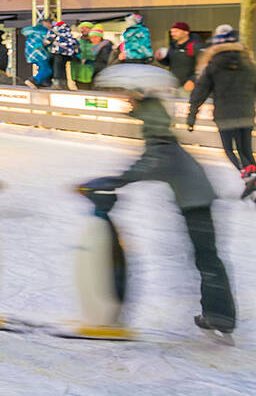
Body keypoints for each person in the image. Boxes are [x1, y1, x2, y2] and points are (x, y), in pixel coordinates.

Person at [82, 64, 236, 335]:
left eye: (132, 100)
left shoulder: (162, 145)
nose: (129, 105)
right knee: (206, 257)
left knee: (207, 257)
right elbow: (149, 162)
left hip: (195, 200)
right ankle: (217, 313)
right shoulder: (162, 140)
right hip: (194, 197)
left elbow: (150, 165)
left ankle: (221, 315)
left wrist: (115, 181)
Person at [188, 25, 256, 204]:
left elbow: (200, 92)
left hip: (225, 115)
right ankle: (253, 182)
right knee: (246, 150)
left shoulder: (213, 65)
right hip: (247, 113)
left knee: (230, 150)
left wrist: (192, 115)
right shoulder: (249, 63)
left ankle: (249, 179)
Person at [45, 19, 79, 89]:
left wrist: (44, 44)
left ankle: (57, 83)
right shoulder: (68, 30)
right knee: (63, 67)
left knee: (57, 67)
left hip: (58, 51)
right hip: (68, 53)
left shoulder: (55, 29)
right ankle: (64, 83)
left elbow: (48, 40)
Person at [167, 22, 201, 91]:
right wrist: (161, 58)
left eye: (176, 31)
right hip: (175, 85)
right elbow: (171, 63)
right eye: (171, 32)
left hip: (190, 86)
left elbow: (204, 66)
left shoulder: (195, 46)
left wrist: (193, 80)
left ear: (186, 32)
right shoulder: (173, 46)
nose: (172, 34)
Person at [23, 16, 50, 87]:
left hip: (32, 54)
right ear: (44, 23)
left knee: (43, 68)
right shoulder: (42, 32)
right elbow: (38, 44)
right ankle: (34, 80)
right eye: (49, 23)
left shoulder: (33, 32)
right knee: (47, 70)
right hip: (39, 54)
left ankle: (41, 82)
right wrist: (45, 44)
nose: (50, 25)